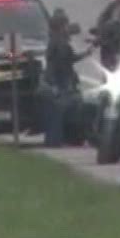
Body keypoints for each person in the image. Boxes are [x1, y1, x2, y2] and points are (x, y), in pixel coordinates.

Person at [39, 9, 82, 147]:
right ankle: (56, 141)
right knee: (60, 112)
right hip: (58, 83)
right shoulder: (61, 43)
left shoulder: (53, 40)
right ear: (62, 26)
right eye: (66, 24)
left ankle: (53, 140)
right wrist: (63, 85)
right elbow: (64, 64)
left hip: (49, 82)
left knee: (53, 114)